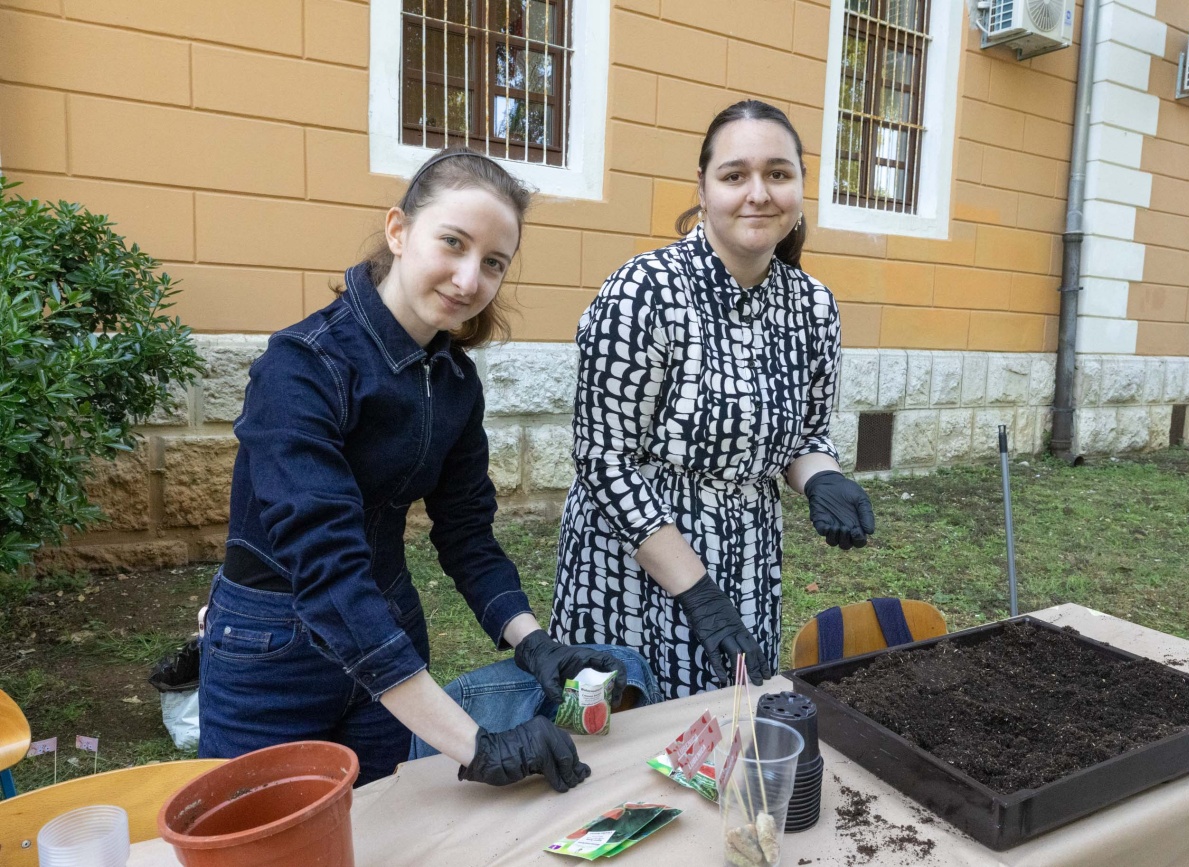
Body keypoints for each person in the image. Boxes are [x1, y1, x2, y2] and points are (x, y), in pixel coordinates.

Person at [198, 148, 638, 789]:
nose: (468, 279)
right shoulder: (301, 367)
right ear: (398, 231)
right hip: (274, 650)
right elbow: (327, 568)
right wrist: (476, 746)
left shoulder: (453, 379)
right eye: (452, 244)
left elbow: (467, 535)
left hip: (390, 628)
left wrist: (534, 642)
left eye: (493, 263)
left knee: (382, 836)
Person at [549, 100, 876, 699]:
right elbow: (603, 462)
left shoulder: (814, 306)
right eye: (735, 175)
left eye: (778, 174)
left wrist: (822, 477)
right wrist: (698, 595)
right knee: (627, 748)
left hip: (749, 554)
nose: (759, 193)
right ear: (702, 189)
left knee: (731, 732)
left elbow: (805, 435)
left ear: (801, 188)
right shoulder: (644, 291)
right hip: (635, 563)